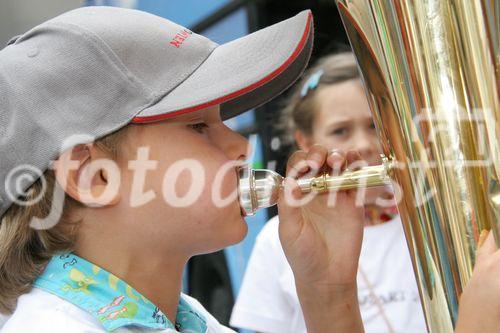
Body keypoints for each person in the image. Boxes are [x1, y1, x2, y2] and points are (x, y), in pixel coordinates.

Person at [0, 6, 367, 333]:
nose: (241, 146)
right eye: (198, 126)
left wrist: (328, 294)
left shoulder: (193, 320)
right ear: (94, 177)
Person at [230, 52, 428, 333]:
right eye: (341, 131)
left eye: (374, 125)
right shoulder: (274, 240)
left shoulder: (431, 225)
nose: (364, 143)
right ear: (305, 141)